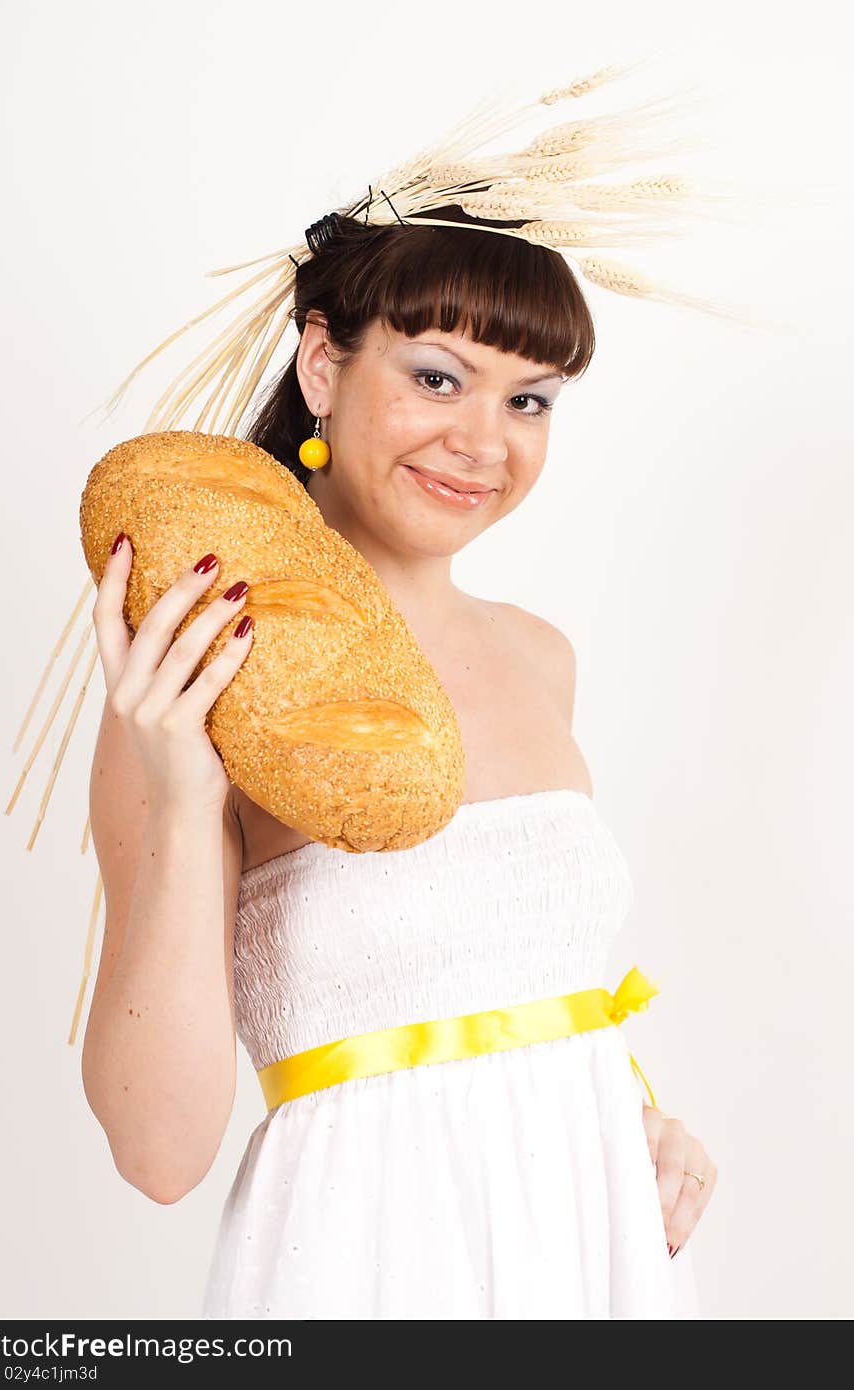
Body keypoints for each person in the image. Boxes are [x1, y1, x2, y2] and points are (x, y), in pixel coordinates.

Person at [80, 204, 717, 1319]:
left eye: (529, 398)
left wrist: (632, 1117)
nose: (486, 440)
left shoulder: (540, 653)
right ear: (322, 364)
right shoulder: (207, 676)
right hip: (364, 1259)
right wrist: (184, 802)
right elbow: (158, 1152)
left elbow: (508, 996)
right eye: (437, 378)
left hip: (595, 1246)